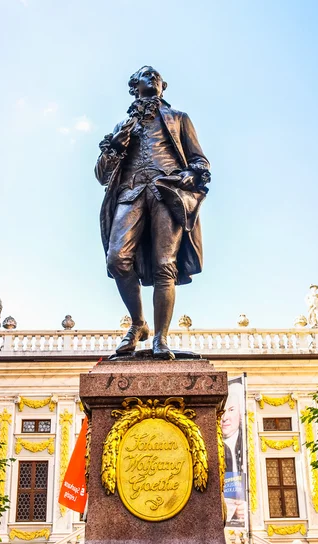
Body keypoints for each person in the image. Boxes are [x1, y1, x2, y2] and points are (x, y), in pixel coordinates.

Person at [95, 66, 210, 359]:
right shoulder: (122, 127)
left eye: (158, 78)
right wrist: (114, 149)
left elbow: (200, 161)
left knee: (164, 265)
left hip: (165, 192)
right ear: (135, 86)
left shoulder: (179, 119)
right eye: (148, 75)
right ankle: (138, 324)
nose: (155, 79)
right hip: (130, 193)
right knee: (116, 259)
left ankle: (161, 337)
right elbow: (101, 175)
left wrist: (190, 174)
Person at [221, 388, 245, 523]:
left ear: (240, 413)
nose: (225, 418)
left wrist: (247, 508)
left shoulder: (246, 440)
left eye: (231, 410)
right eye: (221, 412)